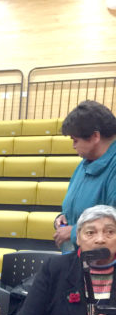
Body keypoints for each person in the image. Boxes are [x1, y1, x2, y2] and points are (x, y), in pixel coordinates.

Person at [53, 101, 116, 252]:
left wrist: (74, 232)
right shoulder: (85, 163)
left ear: (95, 137)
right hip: (78, 259)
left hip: (103, 267)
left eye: (75, 140)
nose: (73, 146)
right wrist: (63, 217)